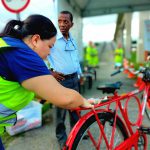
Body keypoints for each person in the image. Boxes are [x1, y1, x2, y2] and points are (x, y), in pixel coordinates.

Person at [0, 14, 93, 150]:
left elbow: (38, 91)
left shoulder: (9, 44)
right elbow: (65, 98)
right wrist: (84, 101)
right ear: (36, 39)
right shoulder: (22, 54)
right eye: (50, 46)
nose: (50, 52)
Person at [47, 11, 84, 149]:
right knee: (60, 113)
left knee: (75, 109)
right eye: (60, 21)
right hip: (61, 81)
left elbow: (75, 60)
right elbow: (39, 54)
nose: (62, 24)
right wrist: (50, 72)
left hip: (74, 79)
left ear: (71, 24)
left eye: (65, 22)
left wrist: (80, 76)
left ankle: (77, 132)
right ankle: (61, 138)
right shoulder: (53, 40)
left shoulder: (72, 40)